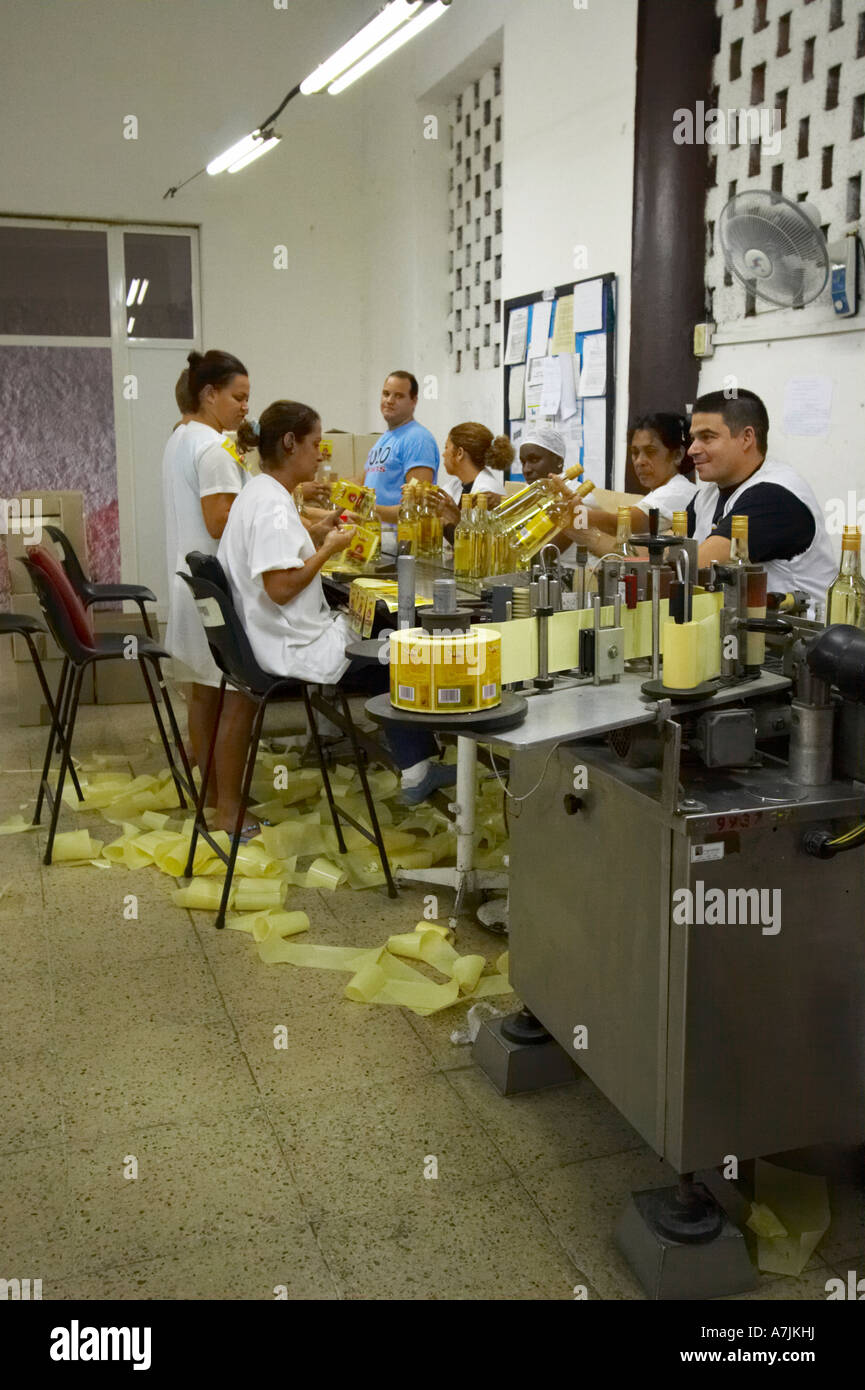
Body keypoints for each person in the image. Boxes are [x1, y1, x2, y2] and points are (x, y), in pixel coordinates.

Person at [220, 400, 457, 805]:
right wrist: (328, 549)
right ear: (290, 443)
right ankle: (418, 768)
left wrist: (316, 536)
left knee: (383, 632)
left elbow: (279, 562)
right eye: (315, 444)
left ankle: (415, 758)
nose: (320, 454)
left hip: (271, 634)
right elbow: (279, 587)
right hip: (289, 646)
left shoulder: (261, 493)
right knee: (397, 642)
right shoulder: (273, 505)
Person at [162, 348, 257, 833]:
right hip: (215, 590)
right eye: (238, 397)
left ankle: (212, 798)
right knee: (234, 695)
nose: (245, 408)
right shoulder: (214, 447)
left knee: (203, 693)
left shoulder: (180, 438)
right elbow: (220, 521)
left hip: (190, 585)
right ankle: (229, 810)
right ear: (209, 394)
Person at [686, 388, 836, 603]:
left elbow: (697, 565)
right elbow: (673, 553)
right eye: (693, 438)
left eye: (707, 437)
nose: (692, 449)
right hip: (740, 627)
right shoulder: (706, 496)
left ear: (747, 437)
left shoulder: (774, 496)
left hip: (797, 633)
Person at [363, 372, 440, 545]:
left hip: (401, 544)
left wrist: (365, 510)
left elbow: (417, 507)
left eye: (398, 396)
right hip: (376, 537)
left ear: (413, 401)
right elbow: (366, 479)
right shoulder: (385, 438)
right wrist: (331, 489)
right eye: (386, 394)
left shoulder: (418, 439)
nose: (389, 400)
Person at [430, 422, 511, 530]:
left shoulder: (487, 492)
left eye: (446, 447)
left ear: (459, 453)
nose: (443, 454)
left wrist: (454, 520)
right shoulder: (456, 484)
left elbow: (476, 543)